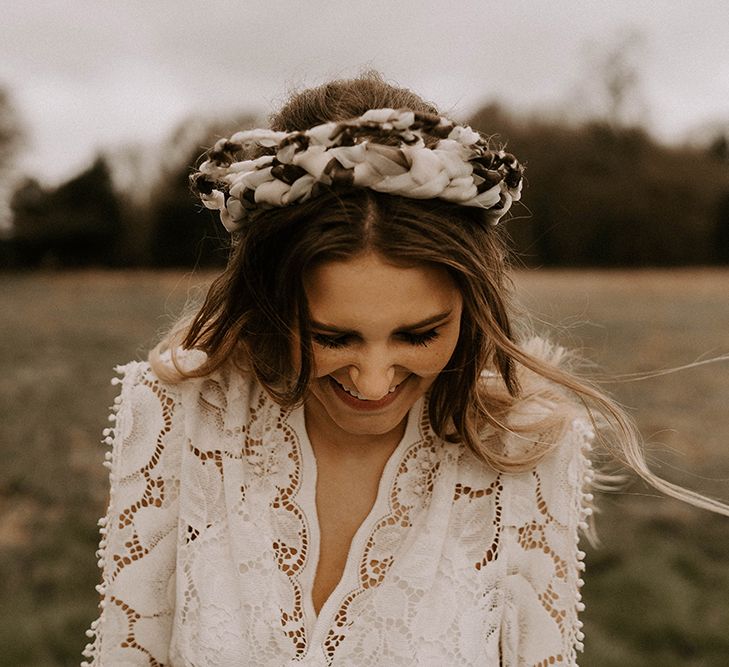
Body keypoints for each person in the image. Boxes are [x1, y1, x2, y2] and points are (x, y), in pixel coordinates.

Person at [82, 74, 727, 666]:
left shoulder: (527, 449)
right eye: (331, 336)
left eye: (419, 334)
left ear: (471, 309)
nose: (372, 380)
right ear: (268, 304)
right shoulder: (175, 415)